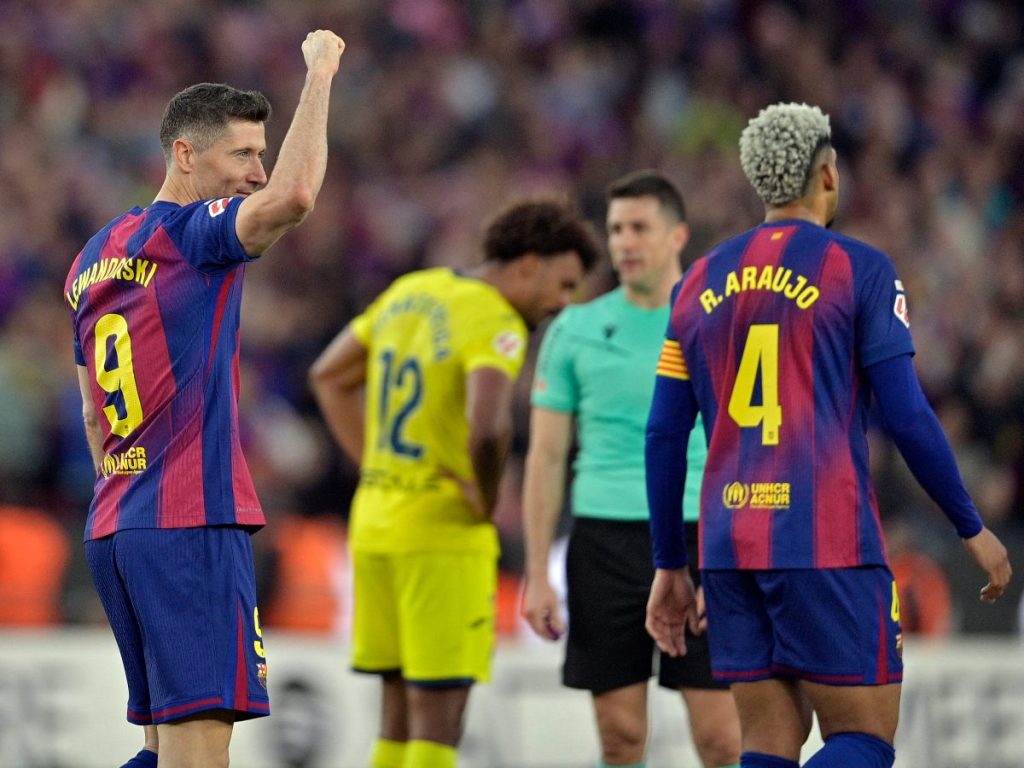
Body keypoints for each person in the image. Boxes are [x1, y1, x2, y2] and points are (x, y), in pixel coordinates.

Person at [643, 102, 1012, 768]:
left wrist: (670, 561)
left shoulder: (695, 283)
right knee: (863, 740)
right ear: (829, 174)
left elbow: (665, 434)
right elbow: (906, 415)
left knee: (769, 748)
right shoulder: (858, 269)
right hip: (825, 537)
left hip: (729, 544)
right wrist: (969, 525)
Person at [63, 30, 346, 768]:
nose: (257, 171)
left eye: (261, 152)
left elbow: (94, 411)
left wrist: (126, 480)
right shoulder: (191, 234)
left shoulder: (94, 256)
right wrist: (320, 73)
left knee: (163, 750)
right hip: (189, 523)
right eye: (243, 154)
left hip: (118, 525)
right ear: (186, 155)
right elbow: (296, 196)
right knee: (198, 757)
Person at [309, 200, 600, 768]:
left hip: (375, 523)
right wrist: (484, 497)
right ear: (527, 265)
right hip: (442, 535)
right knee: (439, 721)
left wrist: (375, 462)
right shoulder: (494, 318)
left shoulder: (411, 291)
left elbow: (329, 376)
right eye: (562, 285)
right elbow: (490, 426)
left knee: (395, 717)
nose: (562, 304)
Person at [520, 171, 741, 768]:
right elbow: (544, 458)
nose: (624, 242)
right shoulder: (575, 329)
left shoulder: (718, 324)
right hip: (602, 540)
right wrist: (538, 570)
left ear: (677, 236)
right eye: (616, 229)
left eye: (640, 227)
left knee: (722, 738)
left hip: (701, 536)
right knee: (619, 738)